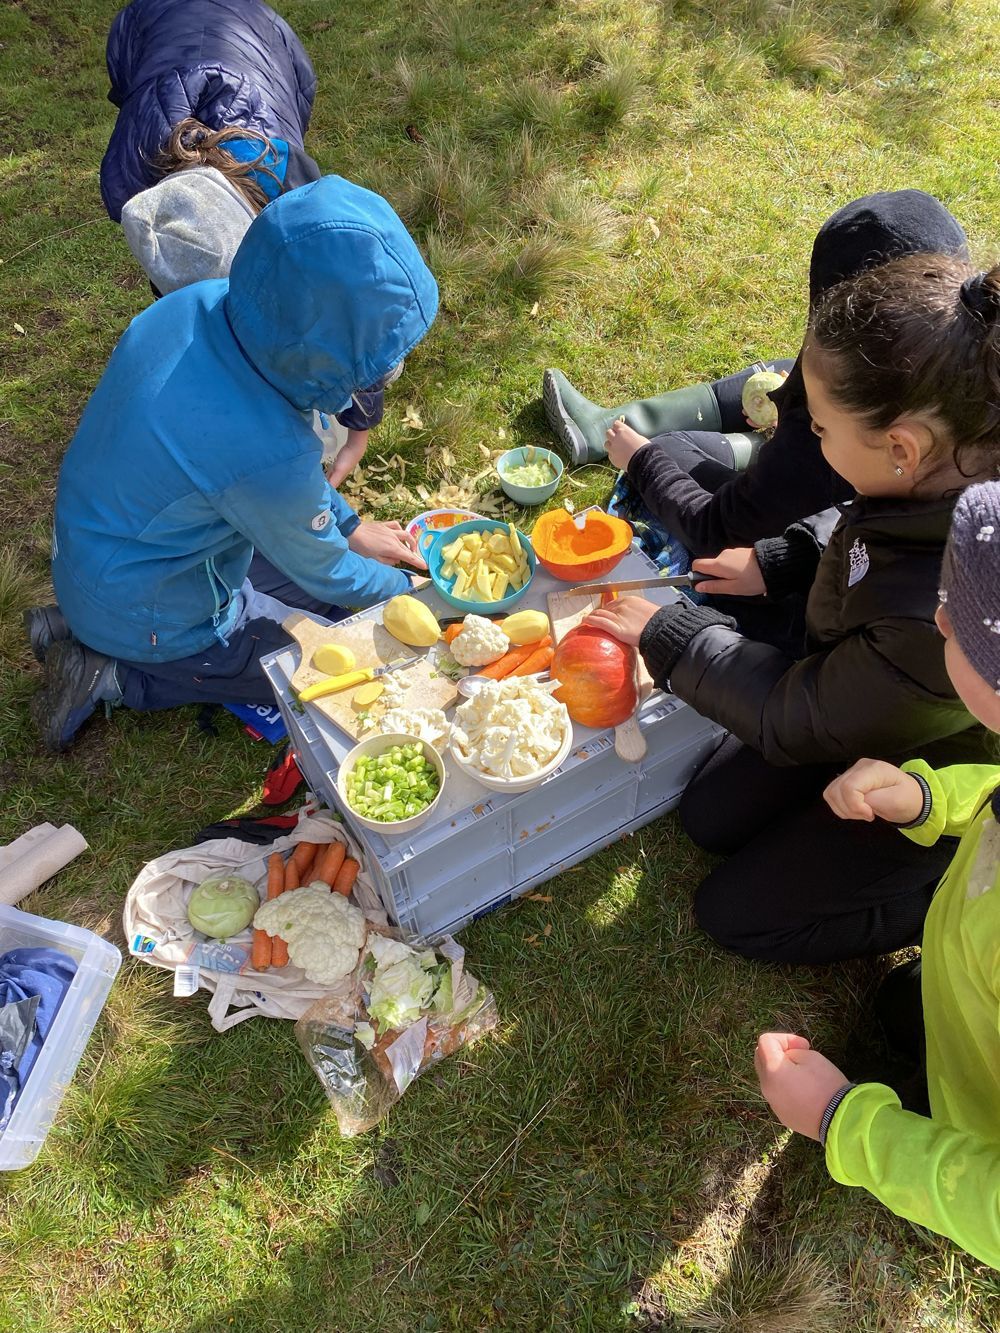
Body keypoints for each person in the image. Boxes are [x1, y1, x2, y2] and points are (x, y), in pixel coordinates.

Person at [585, 254, 1000, 964]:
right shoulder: (945, 466)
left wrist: (673, 633)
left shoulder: (938, 613)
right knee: (709, 815)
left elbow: (787, 714)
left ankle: (932, 900)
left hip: (943, 762)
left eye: (820, 431)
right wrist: (781, 560)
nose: (809, 443)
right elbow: (864, 535)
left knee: (734, 914)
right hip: (866, 700)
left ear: (901, 447)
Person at [28, 175, 438, 753]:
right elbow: (328, 571)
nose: (375, 380)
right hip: (155, 611)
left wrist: (350, 527)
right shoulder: (268, 450)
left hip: (99, 553)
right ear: (321, 358)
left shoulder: (197, 305)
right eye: (370, 365)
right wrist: (416, 596)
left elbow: (268, 488)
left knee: (303, 587)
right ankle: (114, 675)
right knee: (316, 667)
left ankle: (82, 621)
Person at [756, 475, 1000, 1271]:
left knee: (939, 1120)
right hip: (964, 999)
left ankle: (930, 1103)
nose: (935, 618)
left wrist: (841, 1121)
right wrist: (929, 795)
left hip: (981, 1131)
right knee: (905, 1012)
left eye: (957, 619)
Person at [544, 191, 969, 557]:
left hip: (790, 505)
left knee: (669, 447)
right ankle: (621, 428)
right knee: (781, 375)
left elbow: (716, 531)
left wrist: (642, 459)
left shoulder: (840, 442)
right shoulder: (967, 347)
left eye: (820, 424)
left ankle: (661, 437)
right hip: (816, 472)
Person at [100, 0, 383, 484]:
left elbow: (345, 292)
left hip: (266, 40)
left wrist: (359, 422)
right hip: (148, 23)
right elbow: (175, 282)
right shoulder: (137, 193)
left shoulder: (284, 178)